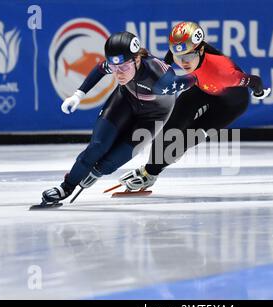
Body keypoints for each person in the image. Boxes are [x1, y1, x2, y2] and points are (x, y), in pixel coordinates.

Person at [118, 21, 271, 191]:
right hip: (202, 88)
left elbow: (255, 81)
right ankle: (148, 170)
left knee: (186, 138)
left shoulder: (222, 71)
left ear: (201, 49)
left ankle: (151, 173)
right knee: (170, 127)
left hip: (230, 105)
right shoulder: (183, 49)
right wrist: (165, 68)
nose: (183, 62)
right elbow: (171, 56)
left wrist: (260, 92)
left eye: (188, 56)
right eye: (179, 56)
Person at [41, 31, 176, 204]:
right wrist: (78, 95)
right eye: (113, 67)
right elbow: (99, 69)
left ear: (137, 60)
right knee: (97, 147)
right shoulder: (120, 62)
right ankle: (66, 187)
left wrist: (192, 78)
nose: (118, 73)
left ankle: (97, 172)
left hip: (153, 116)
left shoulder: (156, 72)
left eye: (124, 68)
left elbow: (182, 81)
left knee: (107, 164)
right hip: (125, 102)